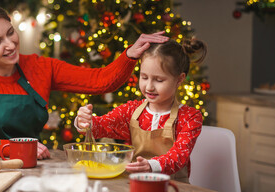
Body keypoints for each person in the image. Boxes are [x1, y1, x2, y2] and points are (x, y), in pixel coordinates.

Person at [0, 3, 169, 160]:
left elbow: (100, 81)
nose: (10, 44)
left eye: (10, 32)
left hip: (31, 167)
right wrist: (9, 148)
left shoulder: (40, 67)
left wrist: (129, 55)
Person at [76, 38, 207, 183]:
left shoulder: (189, 117)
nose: (149, 86)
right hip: (135, 184)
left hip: (174, 189)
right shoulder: (131, 110)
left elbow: (178, 156)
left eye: (159, 80)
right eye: (144, 77)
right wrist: (85, 121)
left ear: (179, 79)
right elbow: (101, 126)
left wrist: (150, 166)